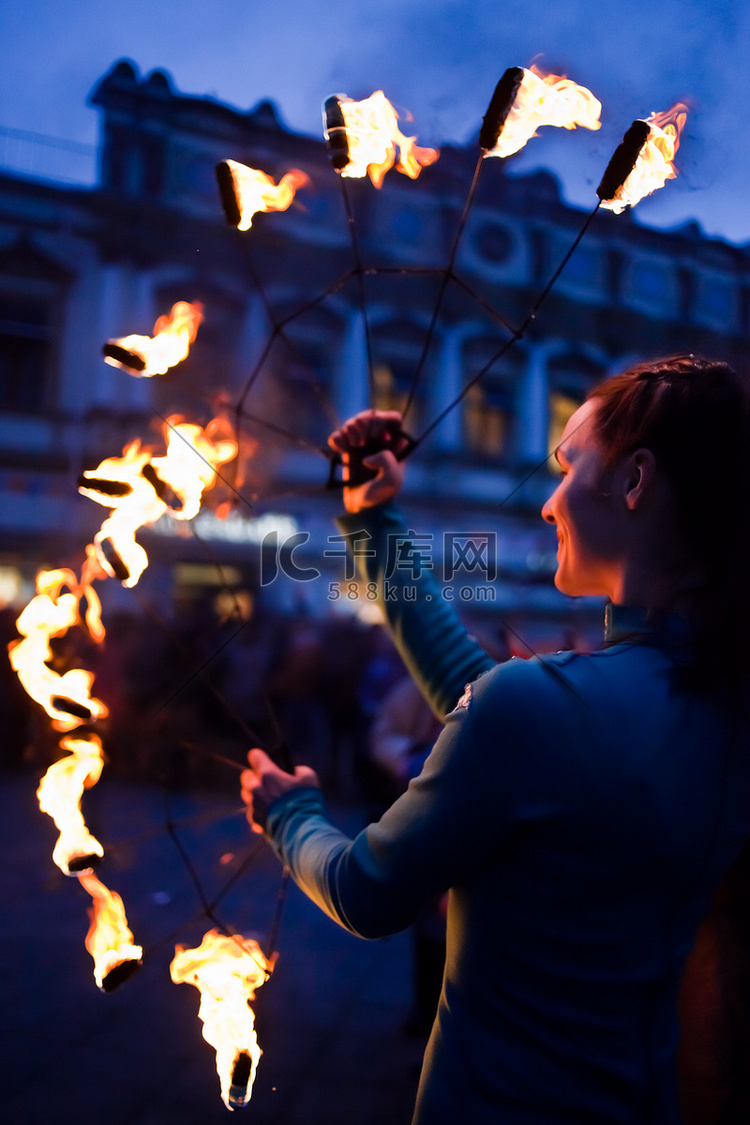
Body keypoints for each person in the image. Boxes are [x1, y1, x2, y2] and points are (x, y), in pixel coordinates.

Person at [241, 355, 750, 1124]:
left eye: (567, 465)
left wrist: (289, 814)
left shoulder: (543, 708)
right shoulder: (723, 703)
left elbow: (364, 890)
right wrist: (374, 523)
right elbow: (491, 702)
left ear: (636, 481)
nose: (548, 505)